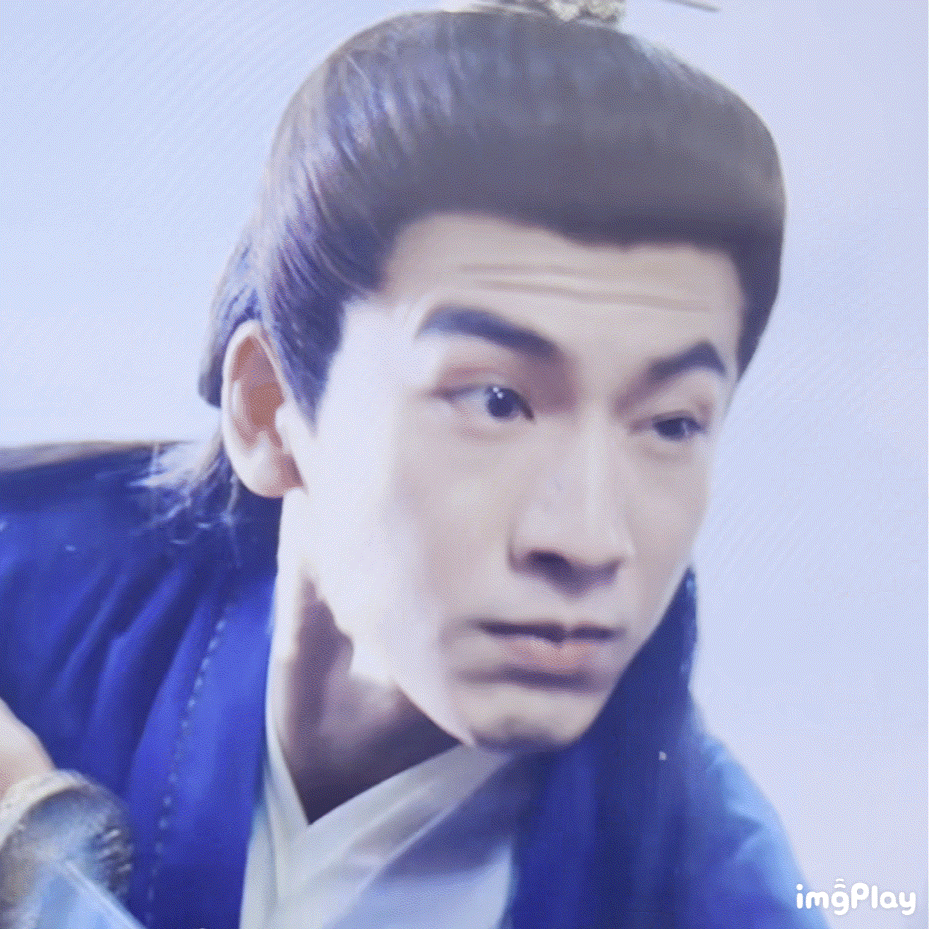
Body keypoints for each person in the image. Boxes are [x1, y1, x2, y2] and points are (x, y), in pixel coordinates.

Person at [0, 1, 828, 927]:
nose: (588, 538)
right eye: (496, 400)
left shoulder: (711, 884)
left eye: (671, 424)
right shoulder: (30, 594)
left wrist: (37, 872)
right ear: (270, 409)